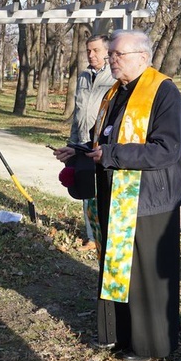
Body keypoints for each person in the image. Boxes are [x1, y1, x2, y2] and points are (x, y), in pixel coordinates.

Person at [53, 29, 181, 361]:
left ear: (142, 57)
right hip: (116, 194)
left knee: (144, 277)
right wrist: (80, 151)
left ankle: (151, 345)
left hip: (149, 201)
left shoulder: (163, 92)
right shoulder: (117, 91)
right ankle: (121, 334)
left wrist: (112, 155)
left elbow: (166, 150)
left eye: (118, 55)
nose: (111, 59)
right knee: (119, 269)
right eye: (110, 54)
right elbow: (106, 139)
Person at [70, 34, 115, 250]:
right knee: (86, 189)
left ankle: (106, 235)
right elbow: (78, 112)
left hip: (103, 145)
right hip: (83, 142)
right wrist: (72, 143)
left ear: (107, 52)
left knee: (104, 191)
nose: (91, 54)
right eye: (88, 50)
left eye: (96, 50)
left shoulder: (113, 78)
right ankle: (91, 236)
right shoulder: (83, 77)